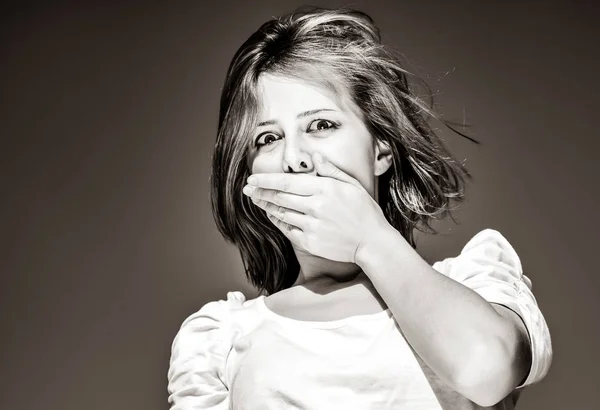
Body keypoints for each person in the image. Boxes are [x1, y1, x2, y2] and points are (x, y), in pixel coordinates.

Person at [167, 7, 552, 410]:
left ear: (380, 148)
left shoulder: (477, 284)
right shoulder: (219, 338)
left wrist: (367, 238)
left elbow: (486, 371)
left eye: (320, 125)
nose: (293, 157)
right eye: (267, 138)